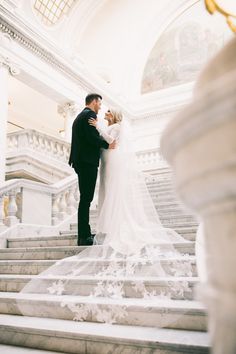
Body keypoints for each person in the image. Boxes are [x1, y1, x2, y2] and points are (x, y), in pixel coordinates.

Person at [68, 93, 115, 246]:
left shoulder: (80, 116)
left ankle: (84, 233)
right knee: (86, 199)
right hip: (87, 162)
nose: (100, 107)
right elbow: (91, 137)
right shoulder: (90, 114)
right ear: (94, 101)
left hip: (80, 161)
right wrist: (108, 145)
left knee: (85, 198)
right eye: (99, 103)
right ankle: (83, 236)